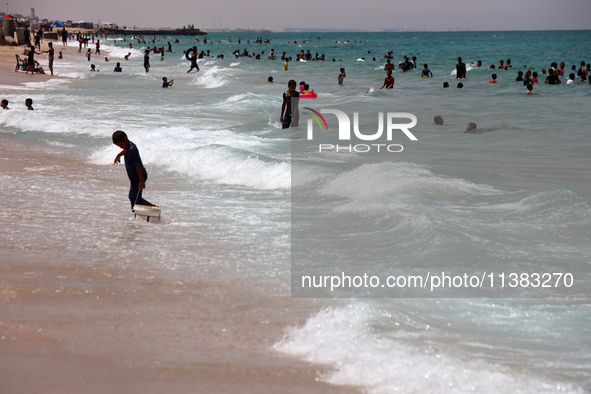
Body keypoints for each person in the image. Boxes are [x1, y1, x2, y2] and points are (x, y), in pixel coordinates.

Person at [112, 130, 157, 210]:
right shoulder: (127, 147)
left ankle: (143, 213)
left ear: (126, 139)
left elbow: (138, 166)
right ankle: (152, 208)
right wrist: (118, 155)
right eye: (119, 146)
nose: (121, 147)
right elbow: (125, 151)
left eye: (122, 144)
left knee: (134, 198)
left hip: (139, 176)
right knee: (133, 196)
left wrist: (141, 181)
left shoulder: (132, 149)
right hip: (134, 177)